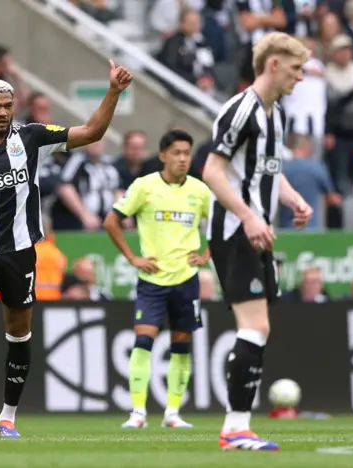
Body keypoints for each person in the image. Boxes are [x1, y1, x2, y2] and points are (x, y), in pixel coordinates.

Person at [0, 61, 133, 438]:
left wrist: (113, 91)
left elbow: (93, 132)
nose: (1, 112)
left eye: (7, 105)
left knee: (18, 333)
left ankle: (8, 417)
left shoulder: (33, 138)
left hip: (20, 254)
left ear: (14, 107)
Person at [201, 32, 313, 451]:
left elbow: (268, 170)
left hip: (257, 228)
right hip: (235, 229)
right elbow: (212, 171)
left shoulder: (274, 113)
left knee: (257, 328)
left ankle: (238, 425)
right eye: (296, 68)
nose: (300, 77)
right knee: (255, 325)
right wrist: (248, 216)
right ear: (273, 65)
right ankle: (235, 428)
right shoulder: (241, 110)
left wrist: (294, 199)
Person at [103, 129, 211, 429]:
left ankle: (172, 413)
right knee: (143, 340)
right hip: (152, 279)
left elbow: (222, 221)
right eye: (176, 152)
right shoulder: (144, 186)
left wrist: (206, 255)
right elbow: (111, 220)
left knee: (181, 343)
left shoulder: (200, 191)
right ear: (163, 155)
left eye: (186, 153)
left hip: (186, 279)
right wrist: (132, 257)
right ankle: (137, 411)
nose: (182, 158)